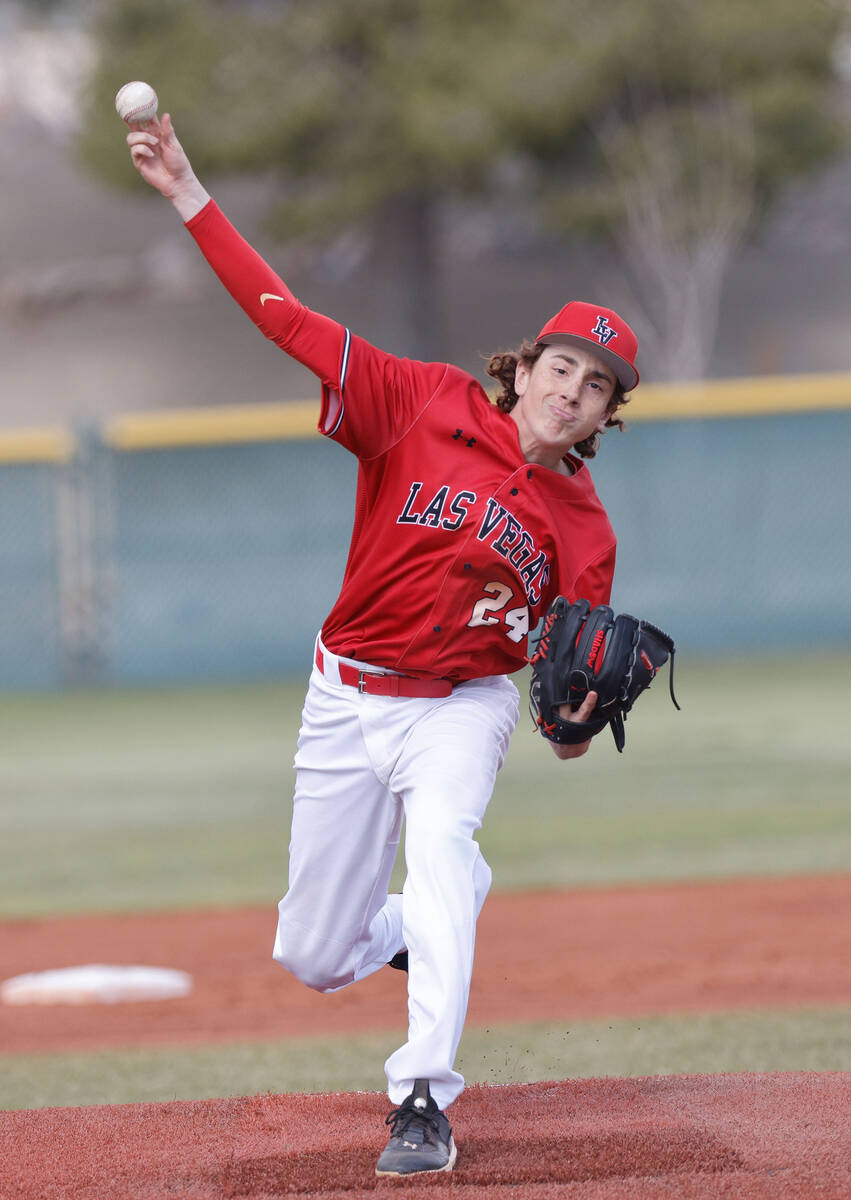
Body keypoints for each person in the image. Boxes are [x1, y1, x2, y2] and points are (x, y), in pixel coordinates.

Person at [125, 110, 640, 1177]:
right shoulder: (418, 402)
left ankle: (421, 1100)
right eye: (561, 367)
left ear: (605, 417)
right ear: (524, 367)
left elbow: (564, 722)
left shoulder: (586, 535)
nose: (571, 392)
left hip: (460, 708)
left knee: (443, 848)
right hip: (345, 692)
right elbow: (287, 321)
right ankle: (413, 927)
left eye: (596, 386)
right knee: (314, 953)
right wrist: (188, 195)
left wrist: (577, 721)